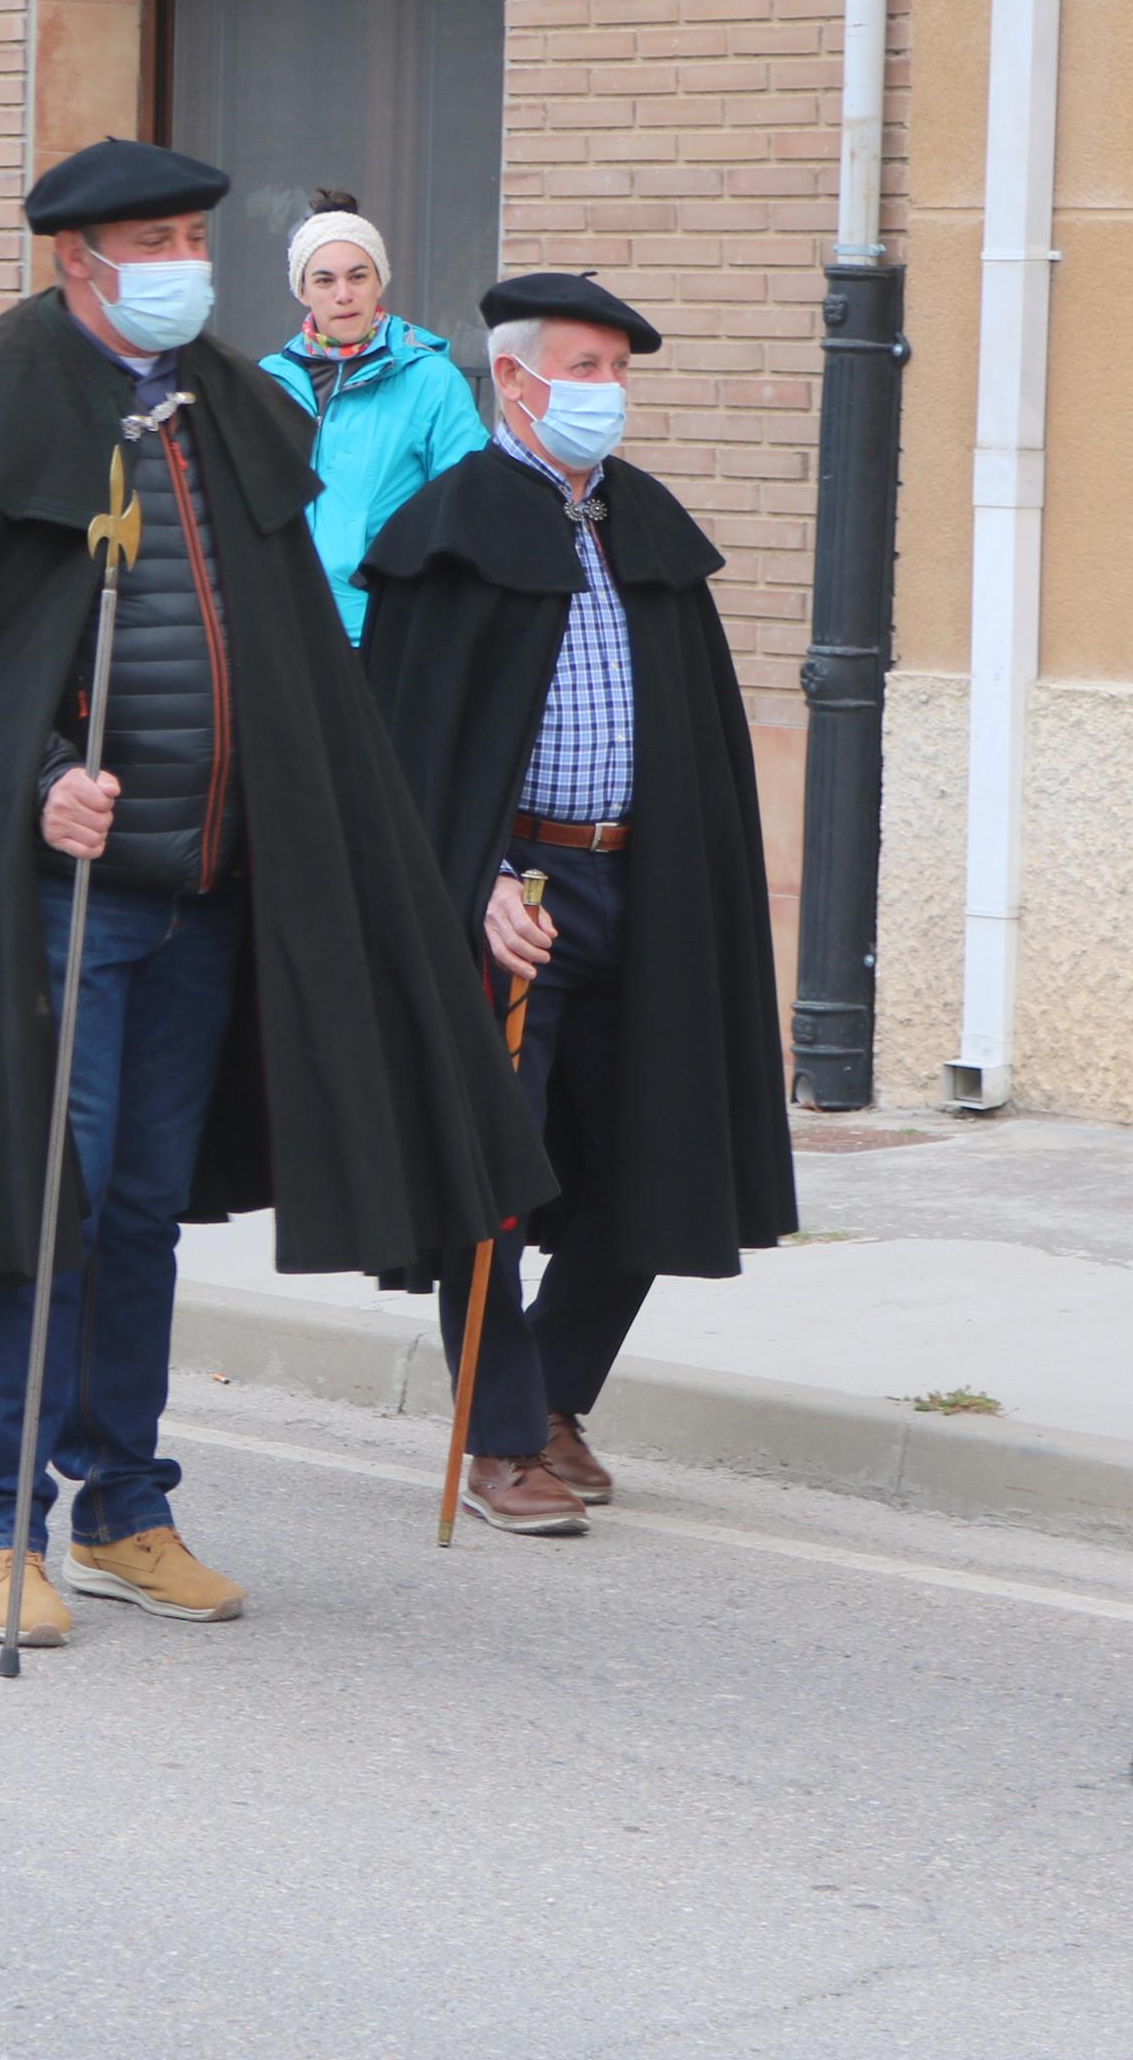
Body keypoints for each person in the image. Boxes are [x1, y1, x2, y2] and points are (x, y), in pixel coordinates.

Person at [0, 137, 547, 1647]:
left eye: (192, 232)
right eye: (152, 239)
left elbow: (291, 643)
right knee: (48, 1201)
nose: (184, 259)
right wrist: (37, 771)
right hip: (71, 899)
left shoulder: (225, 407)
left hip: (208, 888)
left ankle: (122, 1504)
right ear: (78, 262)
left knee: (137, 1214)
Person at [355, 273, 798, 1535]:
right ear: (513, 379)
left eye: (618, 370)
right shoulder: (446, 529)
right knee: (489, 1168)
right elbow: (407, 743)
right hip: (513, 888)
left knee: (662, 1147)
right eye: (584, 369)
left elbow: (693, 726)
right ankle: (498, 1442)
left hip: (641, 880)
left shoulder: (642, 523)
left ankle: (549, 1394)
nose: (607, 393)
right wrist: (474, 878)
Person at [256, 194, 483, 640]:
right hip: (282, 631)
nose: (344, 295)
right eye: (324, 280)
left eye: (358, 276)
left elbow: (467, 510)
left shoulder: (431, 381)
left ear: (380, 281)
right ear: (301, 290)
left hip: (381, 632)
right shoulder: (268, 382)